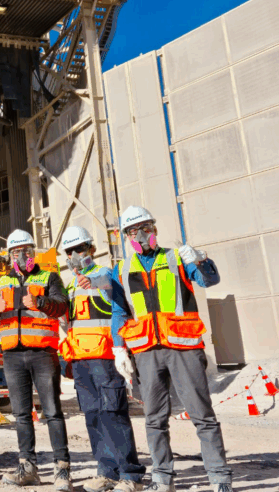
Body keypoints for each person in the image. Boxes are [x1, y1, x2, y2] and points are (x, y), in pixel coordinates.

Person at [112, 206, 232, 492]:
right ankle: (162, 480)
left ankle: (219, 478)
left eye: (146, 227)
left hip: (183, 348)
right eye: (133, 230)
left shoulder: (176, 257)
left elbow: (208, 281)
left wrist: (201, 260)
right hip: (146, 352)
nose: (141, 234)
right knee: (154, 419)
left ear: (154, 228)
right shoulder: (122, 269)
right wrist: (119, 348)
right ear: (126, 236)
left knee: (202, 415)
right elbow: (119, 310)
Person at [0, 229, 72, 491]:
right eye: (16, 252)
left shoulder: (49, 276)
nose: (22, 255)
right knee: (21, 414)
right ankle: (27, 467)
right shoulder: (2, 281)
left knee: (52, 412)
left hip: (43, 353)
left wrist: (40, 301)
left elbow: (62, 305)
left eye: (26, 250)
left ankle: (62, 468)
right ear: (10, 255)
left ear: (33, 252)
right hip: (13, 355)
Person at [58, 225, 145, 492]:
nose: (75, 255)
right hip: (81, 361)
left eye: (80, 248)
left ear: (92, 249)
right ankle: (106, 471)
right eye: (70, 251)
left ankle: (130, 475)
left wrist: (121, 350)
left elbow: (111, 290)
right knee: (93, 416)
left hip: (105, 359)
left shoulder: (106, 274)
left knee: (113, 414)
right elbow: (69, 323)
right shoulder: (71, 284)